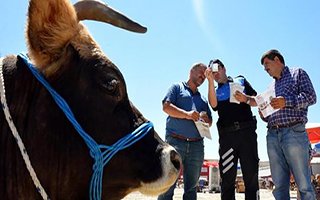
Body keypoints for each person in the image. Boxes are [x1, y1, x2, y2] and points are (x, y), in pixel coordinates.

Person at [259, 49, 317, 200]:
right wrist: (264, 115)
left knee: (304, 184)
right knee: (279, 186)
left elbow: (311, 97)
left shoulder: (298, 73)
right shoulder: (270, 86)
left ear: (277, 60)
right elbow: (273, 111)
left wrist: (286, 102)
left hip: (293, 132)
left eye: (267, 64)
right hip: (272, 135)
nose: (265, 69)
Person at [205, 59, 260, 200]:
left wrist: (245, 99)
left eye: (217, 69)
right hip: (227, 138)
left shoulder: (240, 80)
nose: (216, 73)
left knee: (251, 176)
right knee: (227, 177)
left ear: (224, 68)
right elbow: (213, 105)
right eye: (212, 70)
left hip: (247, 134)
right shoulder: (215, 90)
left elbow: (257, 100)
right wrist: (210, 81)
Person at [158, 62, 213, 200]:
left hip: (197, 146)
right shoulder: (177, 88)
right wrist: (187, 115)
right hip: (175, 142)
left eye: (205, 76)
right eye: (201, 73)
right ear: (191, 71)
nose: (202, 77)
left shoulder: (203, 99)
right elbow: (166, 107)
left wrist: (206, 119)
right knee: (167, 185)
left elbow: (210, 122)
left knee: (191, 188)